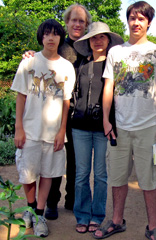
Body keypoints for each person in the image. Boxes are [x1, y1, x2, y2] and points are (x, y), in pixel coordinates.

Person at [94, 1, 156, 239]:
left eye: (141, 18)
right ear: (127, 20)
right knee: (117, 179)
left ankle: (152, 228)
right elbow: (109, 87)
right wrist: (107, 122)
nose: (136, 22)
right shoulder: (115, 52)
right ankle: (117, 221)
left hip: (149, 128)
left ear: (148, 22)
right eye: (132, 17)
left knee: (150, 180)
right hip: (119, 128)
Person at [23, 3, 92, 220]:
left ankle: (72, 199)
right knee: (52, 158)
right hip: (56, 112)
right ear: (67, 22)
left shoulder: (92, 46)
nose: (78, 24)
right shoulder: (60, 46)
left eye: (82, 21)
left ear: (87, 25)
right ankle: (51, 202)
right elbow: (42, 59)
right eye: (74, 20)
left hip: (82, 113)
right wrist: (29, 54)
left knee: (75, 160)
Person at [11, 19, 76, 237]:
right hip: (29, 131)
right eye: (46, 34)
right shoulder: (29, 63)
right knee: (27, 175)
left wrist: (62, 131)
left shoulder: (67, 67)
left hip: (52, 133)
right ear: (41, 37)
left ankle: (39, 214)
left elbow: (66, 102)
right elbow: (21, 96)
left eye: (55, 34)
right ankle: (29, 208)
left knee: (48, 174)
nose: (50, 38)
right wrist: (18, 127)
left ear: (60, 38)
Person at [71, 22, 123, 234]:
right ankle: (82, 215)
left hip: (104, 128)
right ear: (88, 41)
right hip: (80, 127)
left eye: (102, 36)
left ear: (108, 40)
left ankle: (98, 215)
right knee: (82, 174)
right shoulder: (80, 64)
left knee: (101, 175)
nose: (98, 40)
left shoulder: (115, 65)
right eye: (93, 37)